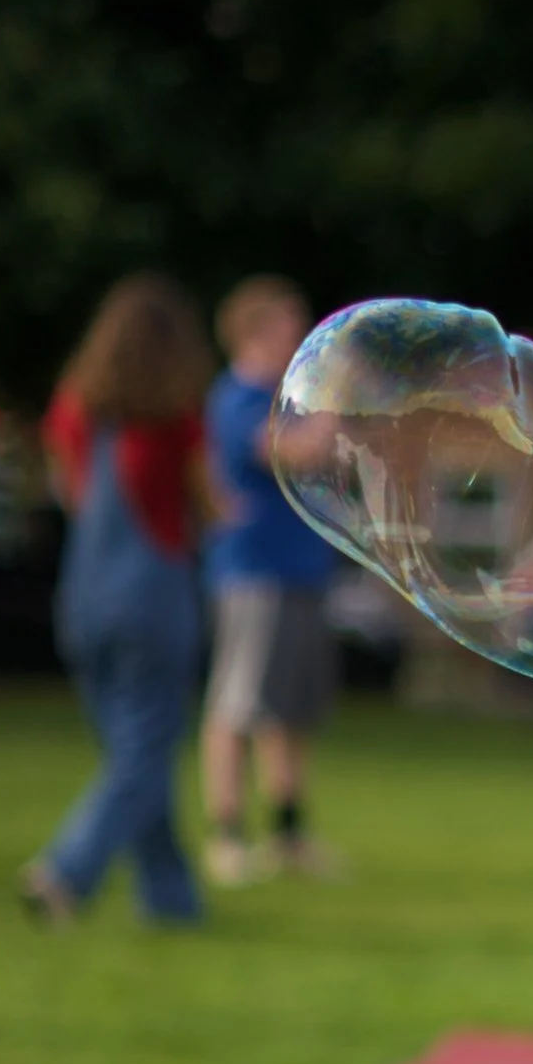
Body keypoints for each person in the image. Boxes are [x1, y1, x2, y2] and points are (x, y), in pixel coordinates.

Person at [21, 275, 217, 927]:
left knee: (130, 746)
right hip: (152, 592)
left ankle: (169, 898)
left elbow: (72, 494)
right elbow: (207, 503)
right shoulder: (174, 412)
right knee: (143, 750)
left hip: (83, 593)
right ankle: (67, 870)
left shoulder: (74, 409)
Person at [201, 275, 342, 882]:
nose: (300, 336)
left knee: (290, 709)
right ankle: (226, 834)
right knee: (238, 703)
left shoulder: (280, 398)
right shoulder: (236, 397)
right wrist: (339, 402)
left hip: (298, 570)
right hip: (253, 574)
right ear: (255, 331)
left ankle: (288, 834)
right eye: (289, 324)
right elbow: (293, 452)